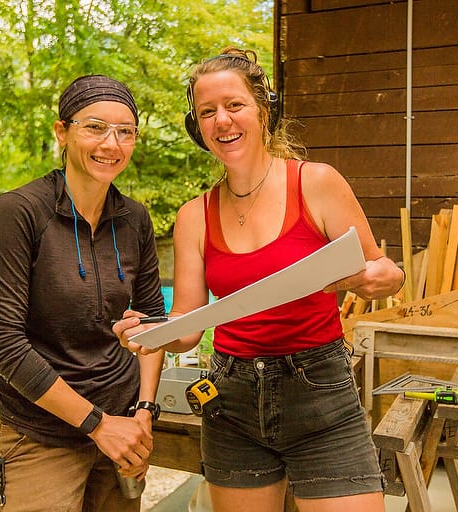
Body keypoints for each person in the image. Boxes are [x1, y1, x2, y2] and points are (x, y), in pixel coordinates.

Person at [117, 47, 404, 511]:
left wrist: (386, 276)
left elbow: (380, 271)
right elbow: (188, 327)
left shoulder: (317, 183)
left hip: (321, 394)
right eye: (207, 112)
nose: (222, 121)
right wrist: (156, 332)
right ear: (198, 128)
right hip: (232, 401)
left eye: (234, 105)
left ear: (263, 110)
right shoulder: (195, 216)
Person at [0, 74, 165, 511]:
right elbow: (1, 344)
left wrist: (143, 412)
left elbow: (154, 323)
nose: (111, 144)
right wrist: (97, 425)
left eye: (126, 131)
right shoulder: (20, 212)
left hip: (121, 426)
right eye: (95, 127)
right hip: (40, 431)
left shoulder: (134, 219)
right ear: (62, 132)